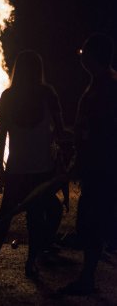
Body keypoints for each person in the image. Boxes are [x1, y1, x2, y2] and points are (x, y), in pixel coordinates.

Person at [0, 51, 66, 281]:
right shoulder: (48, 94)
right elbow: (60, 130)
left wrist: (0, 166)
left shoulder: (8, 96)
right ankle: (31, 262)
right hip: (42, 168)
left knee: (5, 215)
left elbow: (1, 135)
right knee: (41, 215)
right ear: (39, 70)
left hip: (17, 166)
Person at [61, 33, 117, 295]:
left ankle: (87, 279)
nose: (81, 57)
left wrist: (86, 155)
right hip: (95, 166)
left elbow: (102, 130)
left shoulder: (108, 86)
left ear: (95, 56)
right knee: (94, 222)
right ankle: (87, 277)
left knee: (96, 222)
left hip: (102, 167)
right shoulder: (98, 83)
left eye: (85, 53)